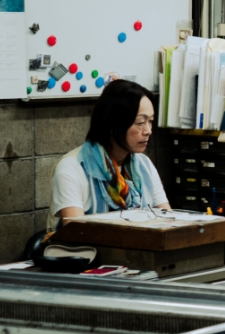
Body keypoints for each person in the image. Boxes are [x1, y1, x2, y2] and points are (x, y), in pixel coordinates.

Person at [47, 79, 170, 231]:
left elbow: (167, 222)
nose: (148, 130)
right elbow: (76, 234)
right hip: (88, 252)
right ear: (112, 125)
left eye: (150, 121)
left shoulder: (144, 165)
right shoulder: (73, 167)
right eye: (140, 123)